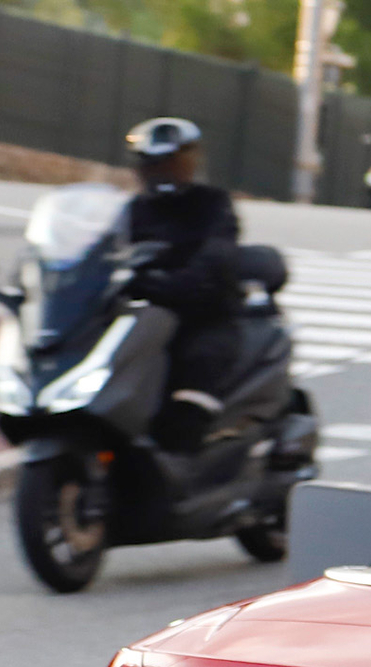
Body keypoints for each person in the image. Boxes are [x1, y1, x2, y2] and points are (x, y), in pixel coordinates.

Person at [121, 117, 242, 451]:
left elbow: (218, 253)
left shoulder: (213, 204)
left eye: (169, 162)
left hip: (201, 317)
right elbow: (103, 251)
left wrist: (179, 282)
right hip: (143, 317)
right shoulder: (133, 210)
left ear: (189, 161)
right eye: (152, 163)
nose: (161, 170)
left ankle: (186, 464)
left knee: (192, 384)